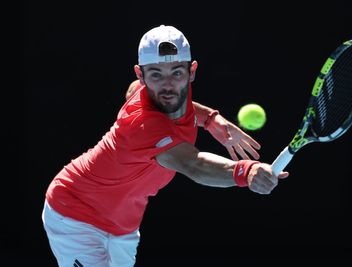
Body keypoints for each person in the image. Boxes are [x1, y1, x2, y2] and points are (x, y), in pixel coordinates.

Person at [42, 24, 289, 267]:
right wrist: (246, 172)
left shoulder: (153, 91)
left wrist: (210, 118)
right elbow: (194, 164)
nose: (168, 84)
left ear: (192, 71)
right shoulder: (143, 125)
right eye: (156, 74)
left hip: (123, 226)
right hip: (75, 213)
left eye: (176, 72)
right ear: (142, 75)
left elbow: (134, 92)